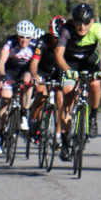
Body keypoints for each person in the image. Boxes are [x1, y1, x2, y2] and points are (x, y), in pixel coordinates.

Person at [54, 2, 101, 153]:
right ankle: (65, 137)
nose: (82, 27)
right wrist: (67, 69)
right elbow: (58, 54)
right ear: (73, 21)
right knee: (68, 95)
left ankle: (93, 115)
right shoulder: (67, 30)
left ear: (92, 21)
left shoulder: (98, 29)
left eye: (86, 22)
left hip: (89, 61)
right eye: (79, 23)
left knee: (95, 84)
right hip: (70, 63)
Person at [0, 19, 37, 154]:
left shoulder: (35, 44)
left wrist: (36, 76)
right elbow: (1, 61)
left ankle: (24, 113)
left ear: (31, 36)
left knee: (28, 80)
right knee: (5, 99)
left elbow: (37, 64)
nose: (24, 40)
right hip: (10, 71)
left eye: (27, 37)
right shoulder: (10, 42)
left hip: (25, 70)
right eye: (21, 37)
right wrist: (2, 75)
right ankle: (1, 133)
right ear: (17, 35)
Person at [29, 16, 66, 149]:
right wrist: (35, 76)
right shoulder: (43, 41)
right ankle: (34, 120)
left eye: (61, 38)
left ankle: (57, 135)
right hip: (42, 71)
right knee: (41, 95)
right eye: (56, 38)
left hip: (58, 72)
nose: (58, 41)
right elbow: (34, 62)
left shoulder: (67, 42)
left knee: (60, 99)